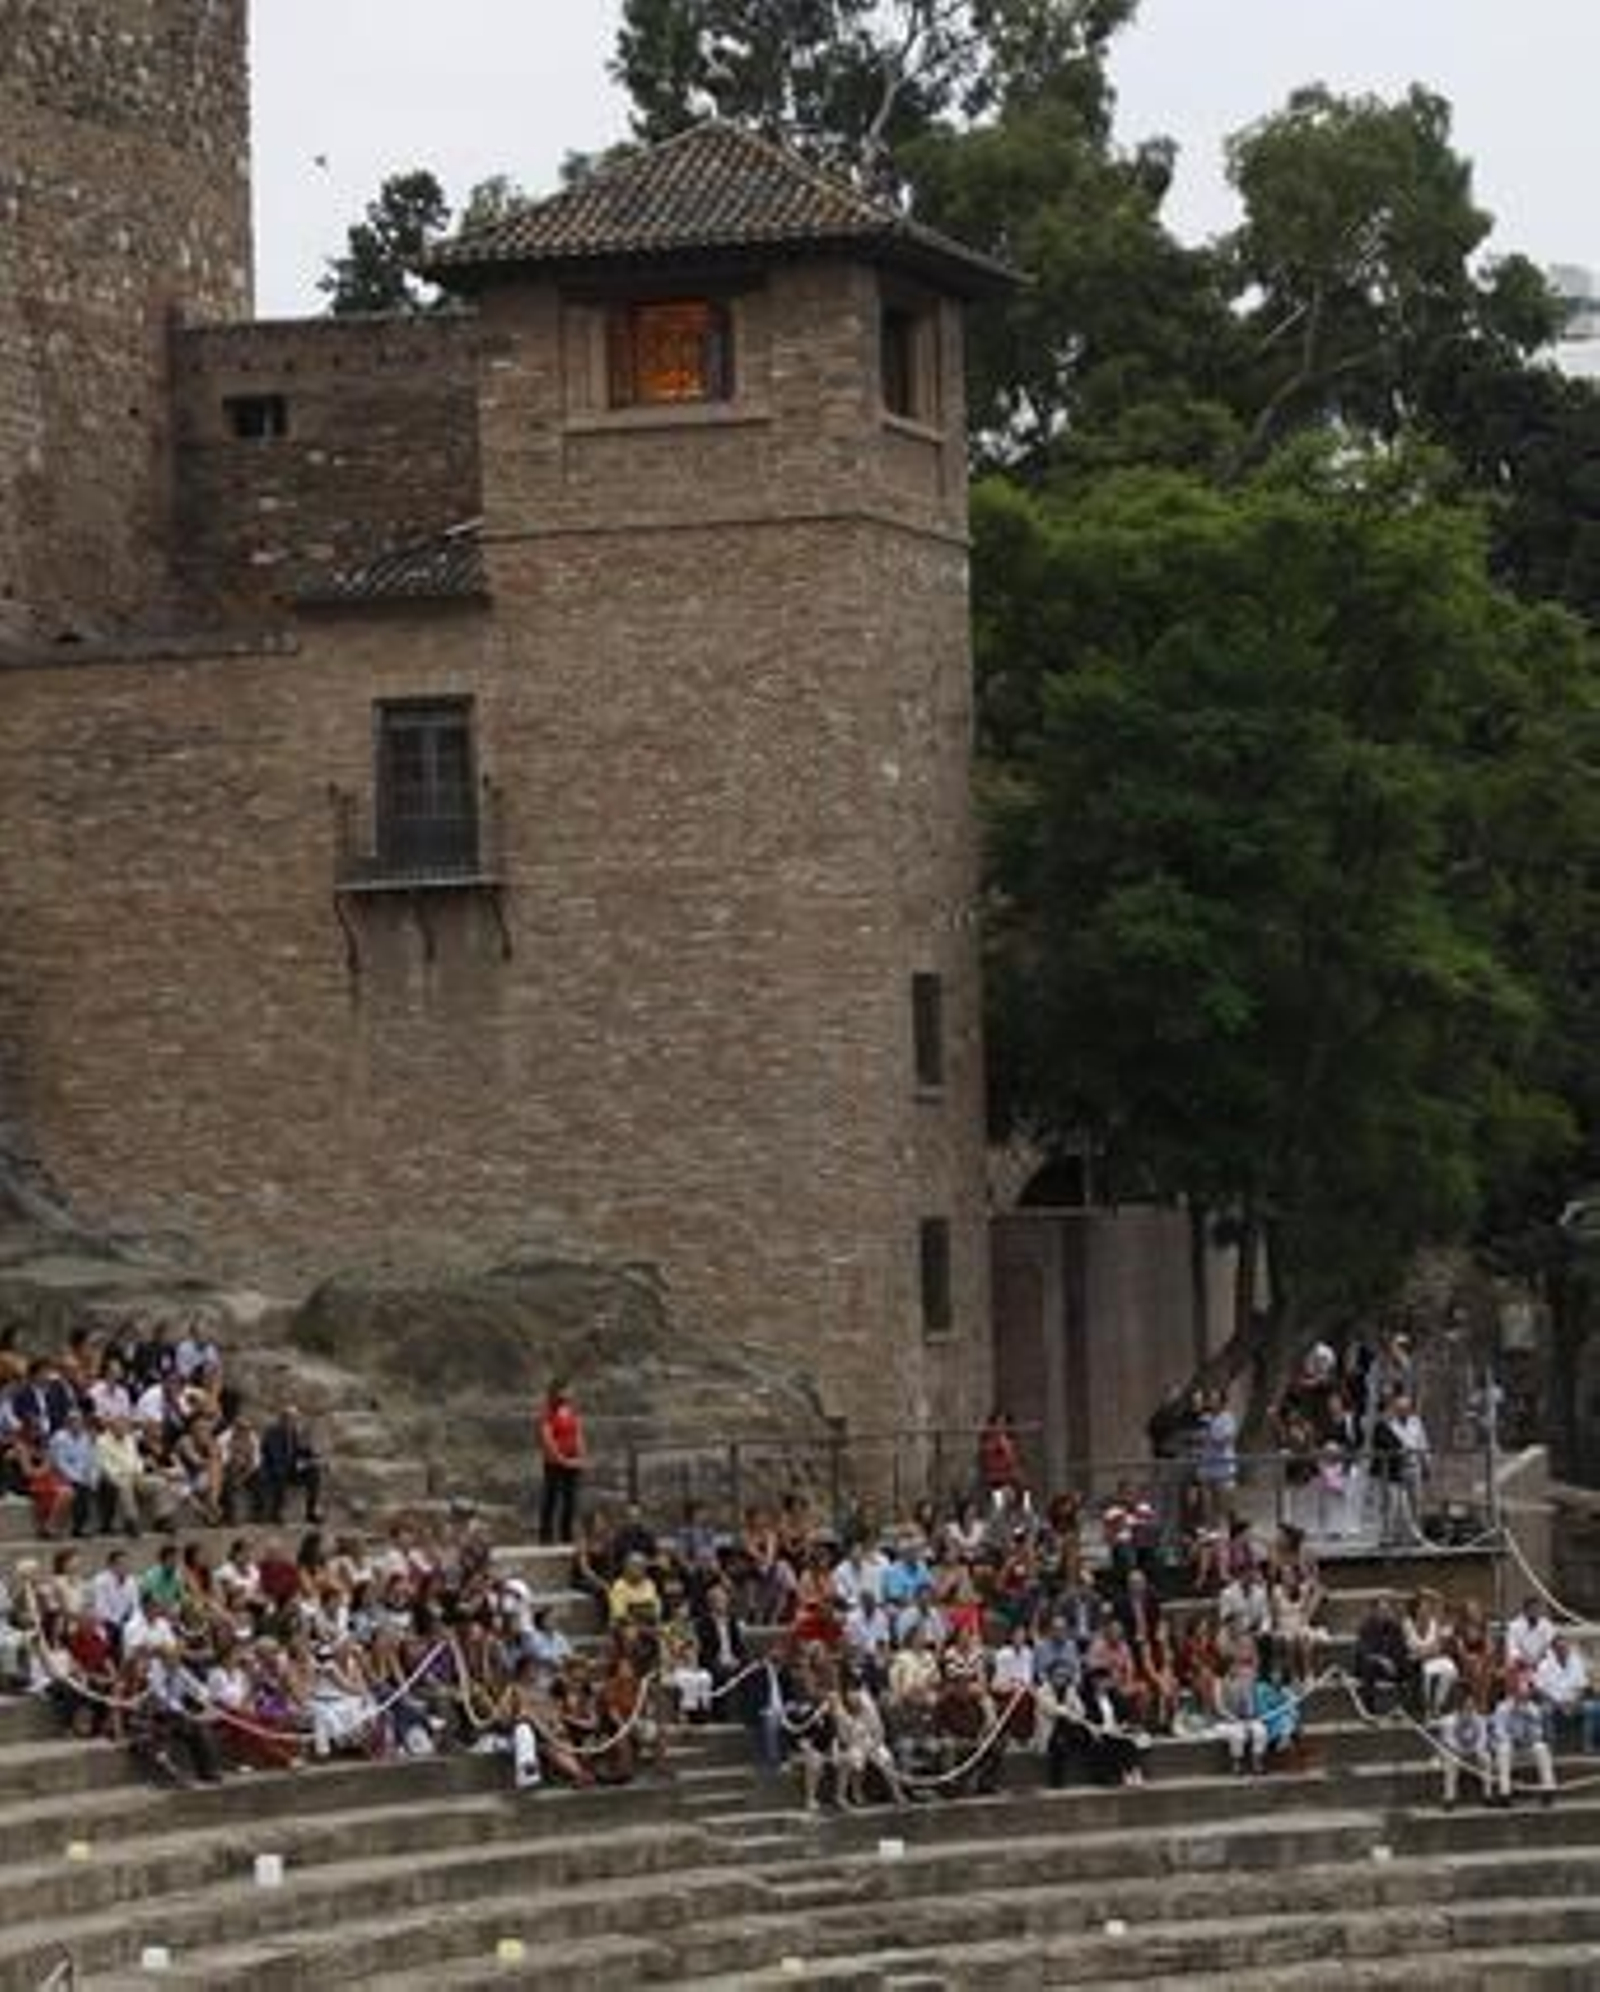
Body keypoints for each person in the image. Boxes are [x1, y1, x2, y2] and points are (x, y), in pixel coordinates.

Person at [537, 1381, 585, 1546]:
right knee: (551, 1498)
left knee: (570, 1500)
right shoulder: (548, 1412)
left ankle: (566, 1535)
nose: (570, 1393)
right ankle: (546, 1536)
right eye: (567, 1390)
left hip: (572, 1461)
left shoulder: (571, 1410)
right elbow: (547, 1438)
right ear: (558, 1392)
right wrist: (561, 1458)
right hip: (554, 1462)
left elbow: (578, 1432)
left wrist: (580, 1455)